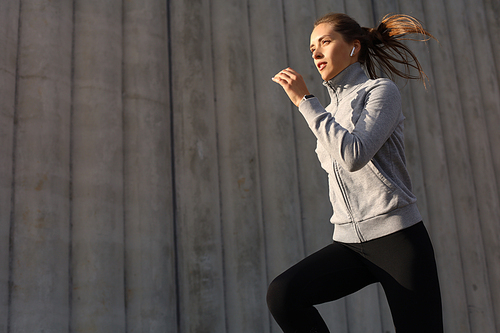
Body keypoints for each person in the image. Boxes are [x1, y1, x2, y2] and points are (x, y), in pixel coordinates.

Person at [267, 13, 443, 333]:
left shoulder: (380, 92)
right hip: (350, 243)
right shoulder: (330, 112)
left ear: (354, 47)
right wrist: (316, 107)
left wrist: (306, 101)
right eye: (311, 48)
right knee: (284, 294)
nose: (316, 52)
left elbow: (354, 155)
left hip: (397, 240)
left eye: (325, 42)